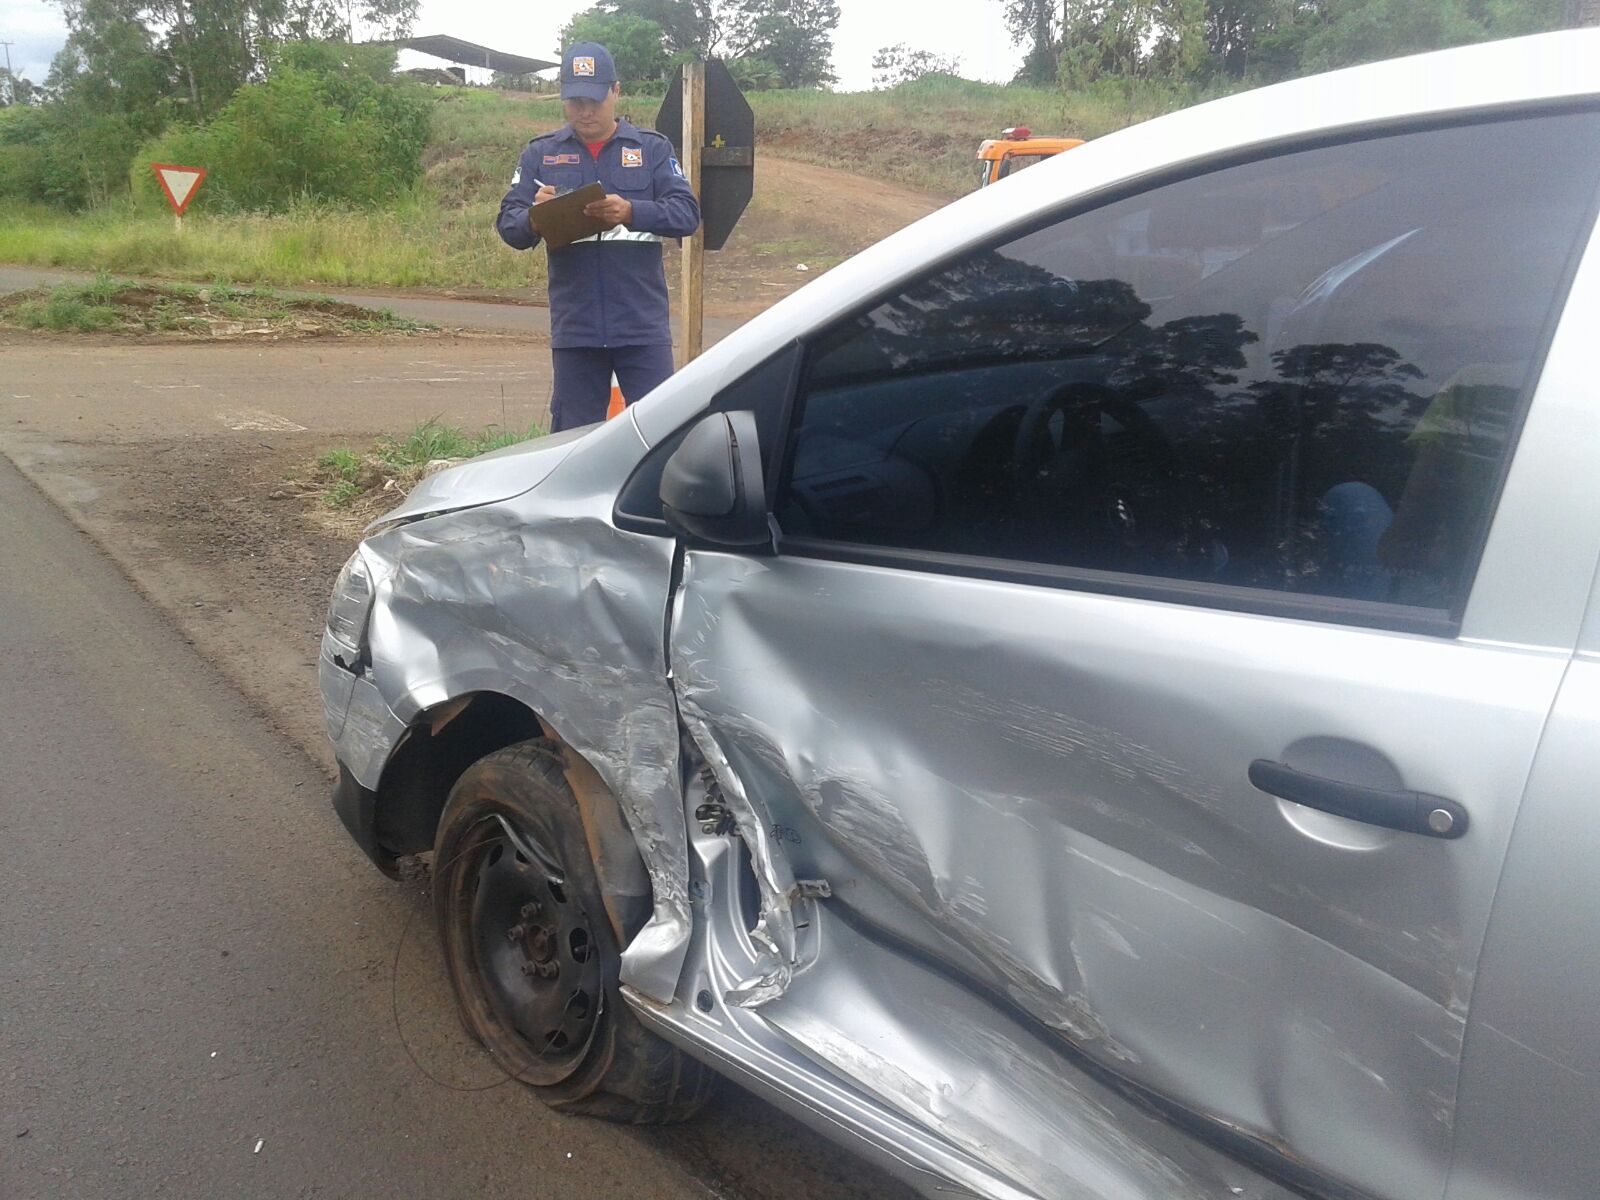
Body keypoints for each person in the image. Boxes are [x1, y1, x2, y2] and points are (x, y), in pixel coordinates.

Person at [497, 42, 701, 432]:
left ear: (616, 91)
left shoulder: (652, 149)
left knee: (660, 437)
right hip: (577, 331)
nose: (585, 111)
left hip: (641, 329)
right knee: (571, 445)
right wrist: (536, 218)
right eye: (574, 101)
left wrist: (632, 211)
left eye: (593, 99)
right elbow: (510, 225)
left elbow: (687, 214)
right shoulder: (540, 154)